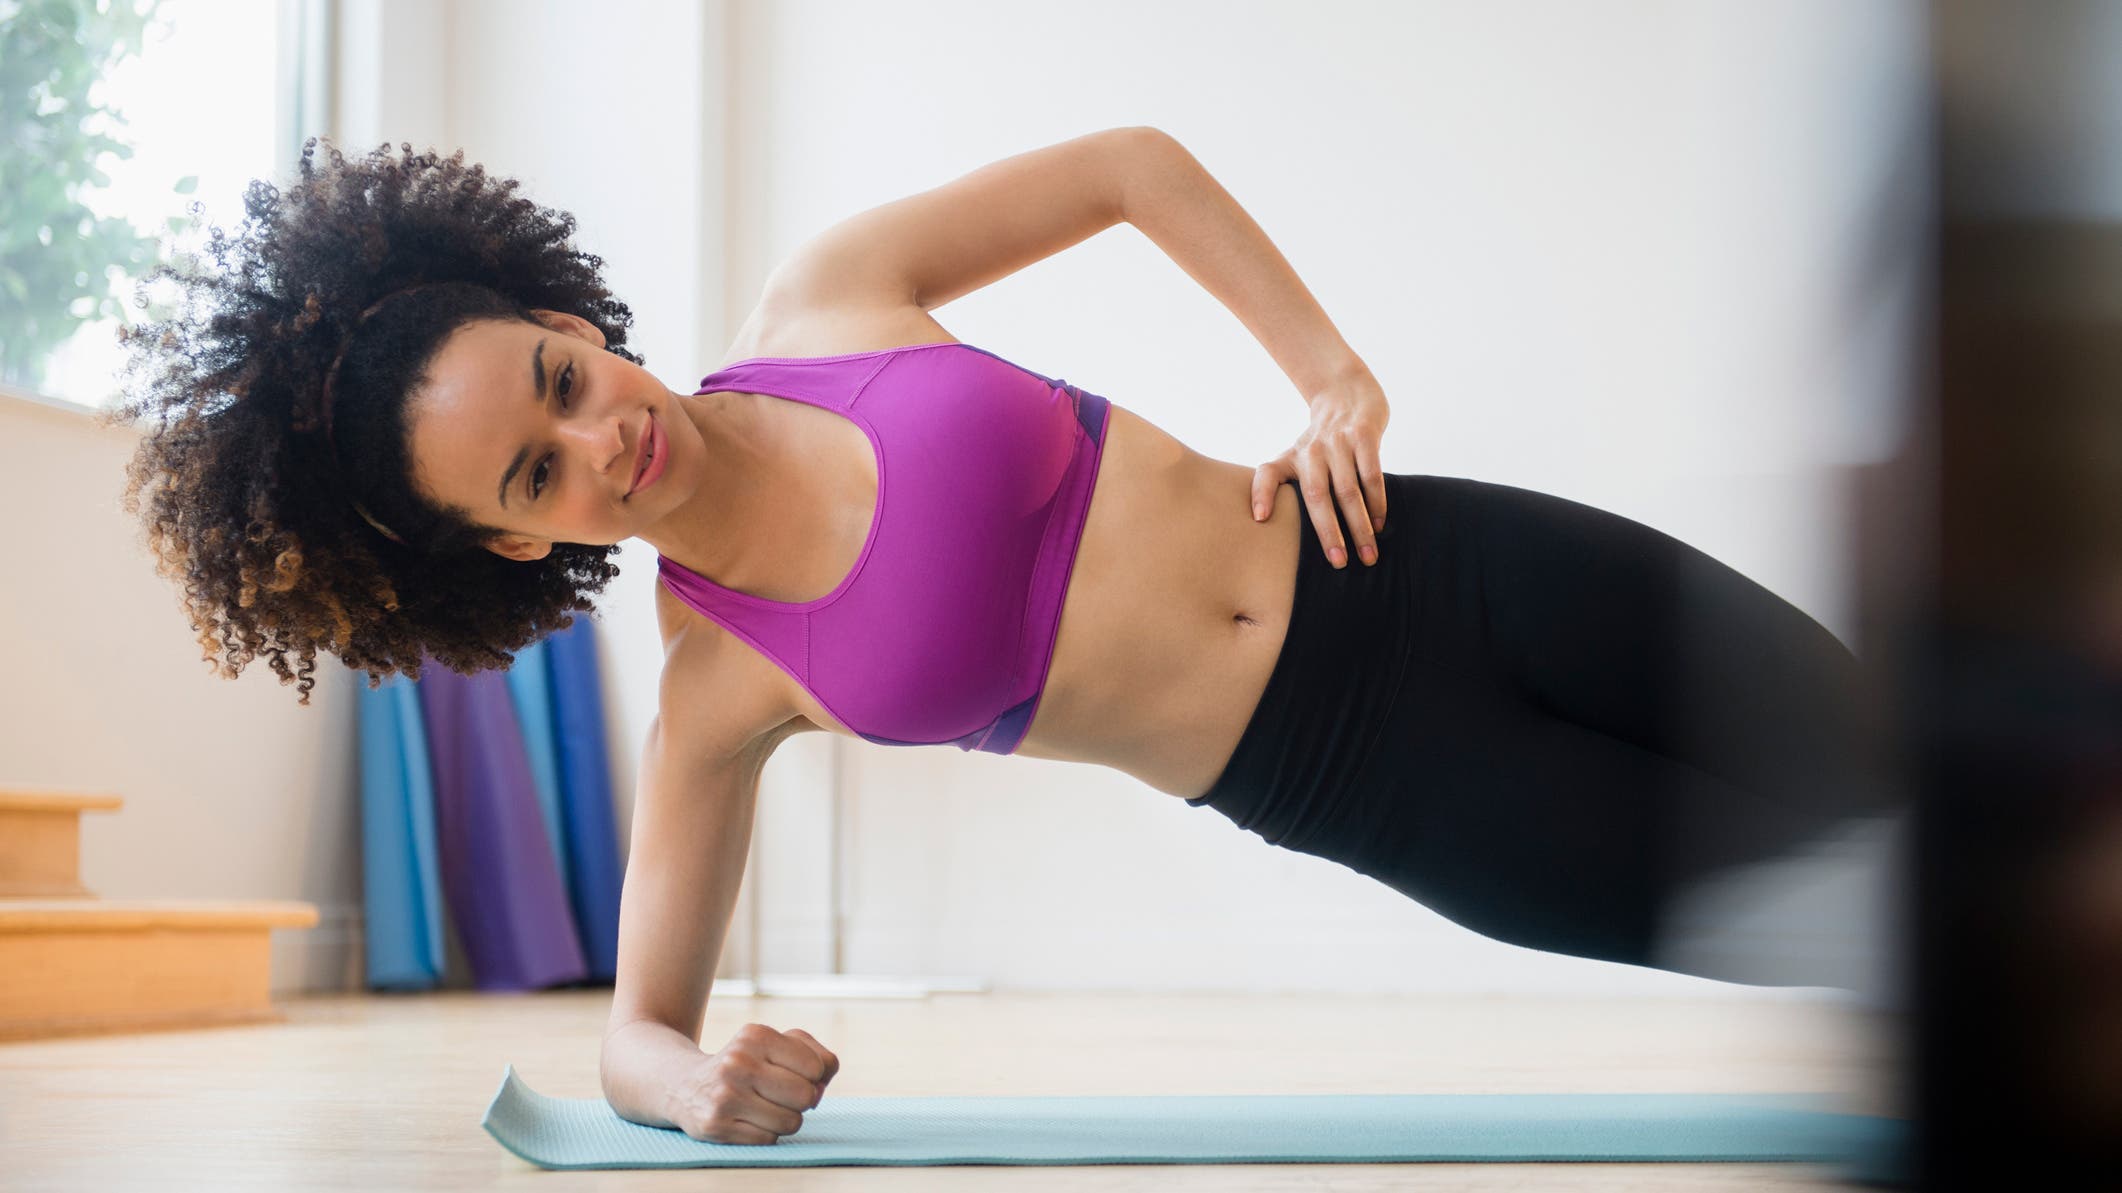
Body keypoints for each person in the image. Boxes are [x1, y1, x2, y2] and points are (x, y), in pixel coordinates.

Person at [107, 129, 1898, 1146]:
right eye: (532, 470)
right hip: (1386, 789)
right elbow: (633, 1031)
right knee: (1857, 918)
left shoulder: (828, 299)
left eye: (562, 382)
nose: (597, 440)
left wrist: (1331, 375)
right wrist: (692, 1077)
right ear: (506, 539)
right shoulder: (719, 684)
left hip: (1435, 560)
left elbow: (1128, 165)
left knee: (1894, 750)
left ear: (571, 318)